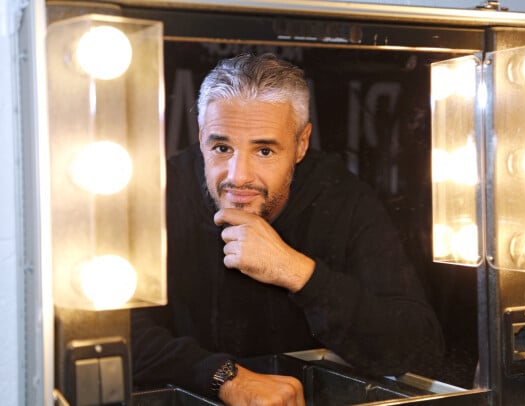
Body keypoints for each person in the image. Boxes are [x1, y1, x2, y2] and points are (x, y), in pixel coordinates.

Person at [131, 53, 444, 405]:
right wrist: (225, 377)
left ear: (301, 144)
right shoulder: (158, 192)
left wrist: (296, 272)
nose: (238, 176)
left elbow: (417, 349)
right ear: (202, 136)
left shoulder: (343, 199)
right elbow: (108, 336)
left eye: (264, 150)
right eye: (222, 147)